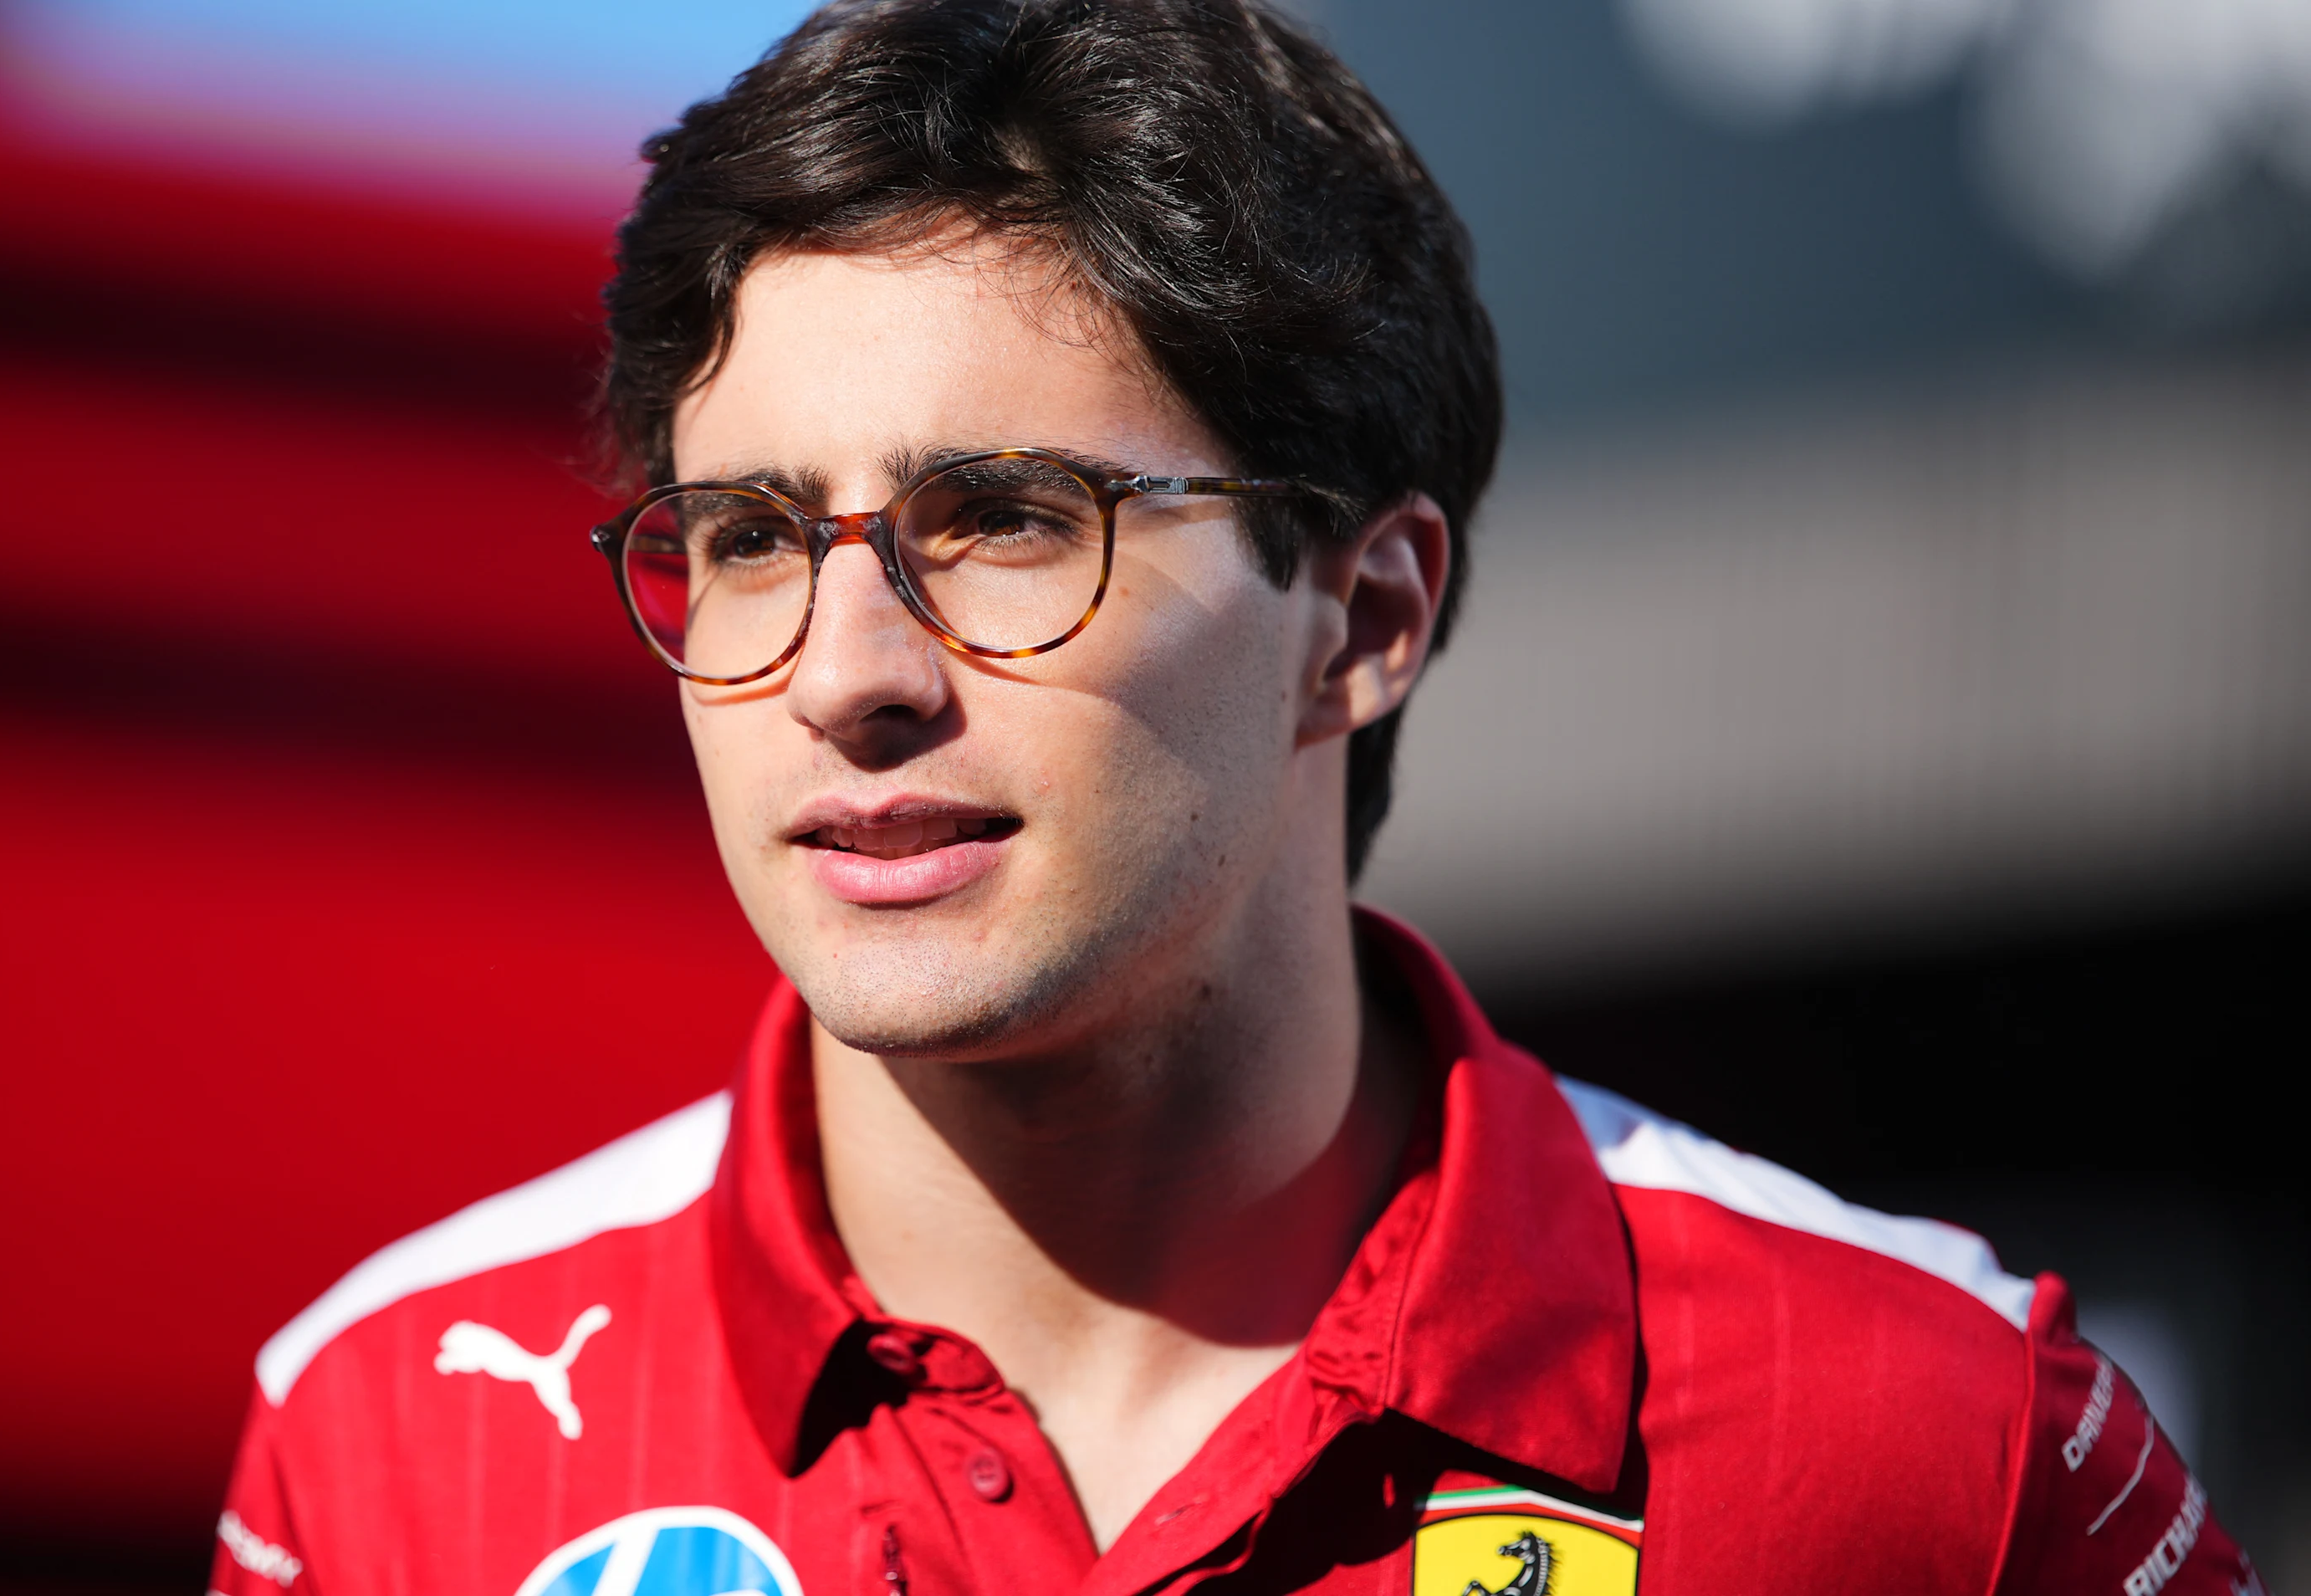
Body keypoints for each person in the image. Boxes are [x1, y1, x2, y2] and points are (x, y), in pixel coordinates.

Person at [210, 3, 2260, 1593]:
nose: (840, 675)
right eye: (747, 536)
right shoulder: (397, 1433)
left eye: (1005, 519)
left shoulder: (1938, 1436)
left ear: (1361, 615)